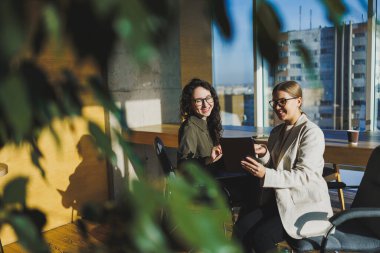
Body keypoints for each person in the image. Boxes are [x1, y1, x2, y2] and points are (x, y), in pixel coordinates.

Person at [234, 81, 333, 253]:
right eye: (275, 102)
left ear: (299, 101)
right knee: (241, 228)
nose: (277, 107)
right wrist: (264, 153)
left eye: (282, 101)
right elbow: (274, 166)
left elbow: (304, 176)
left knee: (262, 236)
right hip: (279, 201)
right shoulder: (276, 132)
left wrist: (265, 174)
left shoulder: (311, 132)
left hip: (303, 205)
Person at [177, 78, 258, 211]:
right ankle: (245, 227)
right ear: (190, 104)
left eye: (208, 98)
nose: (205, 104)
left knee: (250, 173)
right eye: (198, 100)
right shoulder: (190, 127)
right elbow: (184, 166)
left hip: (212, 177)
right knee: (252, 183)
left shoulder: (206, 122)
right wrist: (208, 159)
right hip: (204, 186)